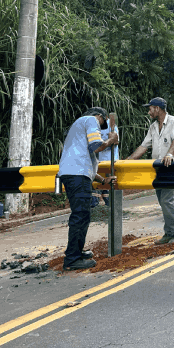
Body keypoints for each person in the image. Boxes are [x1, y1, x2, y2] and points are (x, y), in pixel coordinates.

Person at [57, 107, 118, 270]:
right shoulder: (91, 120)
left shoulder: (77, 127)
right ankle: (72, 259)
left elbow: (85, 162)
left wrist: (102, 180)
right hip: (76, 174)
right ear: (100, 116)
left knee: (82, 214)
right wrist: (111, 140)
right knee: (81, 215)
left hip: (74, 174)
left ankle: (76, 252)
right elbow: (96, 146)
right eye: (103, 121)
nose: (102, 125)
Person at [126, 97, 174, 245]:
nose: (149, 111)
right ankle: (170, 232)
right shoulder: (153, 127)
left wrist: (170, 154)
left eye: (150, 108)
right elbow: (144, 146)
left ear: (157, 109)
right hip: (158, 167)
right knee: (162, 200)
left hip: (171, 166)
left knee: (167, 200)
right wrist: (127, 161)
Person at [94, 119, 119, 208]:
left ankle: (111, 211)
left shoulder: (110, 125)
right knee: (96, 190)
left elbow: (116, 141)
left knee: (109, 192)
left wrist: (110, 139)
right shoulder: (92, 126)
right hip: (97, 163)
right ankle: (95, 211)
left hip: (110, 163)